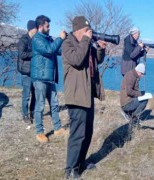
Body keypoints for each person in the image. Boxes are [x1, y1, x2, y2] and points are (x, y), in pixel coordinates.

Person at [62, 16, 106, 178]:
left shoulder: (85, 43)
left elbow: (97, 60)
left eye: (89, 30)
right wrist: (87, 40)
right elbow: (77, 60)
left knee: (87, 132)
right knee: (77, 134)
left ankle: (81, 163)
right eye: (86, 30)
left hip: (88, 94)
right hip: (76, 95)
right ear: (77, 30)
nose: (89, 32)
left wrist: (100, 48)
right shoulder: (67, 43)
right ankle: (70, 170)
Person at [30, 15, 67, 143]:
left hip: (49, 77)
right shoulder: (37, 39)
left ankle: (57, 128)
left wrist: (65, 41)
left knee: (54, 104)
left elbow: (58, 50)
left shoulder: (47, 38)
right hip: (40, 78)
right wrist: (60, 39)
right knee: (40, 106)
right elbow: (49, 50)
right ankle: (39, 132)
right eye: (47, 26)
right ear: (41, 27)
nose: (49, 28)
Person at [120, 63, 148, 136]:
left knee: (144, 98)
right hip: (126, 103)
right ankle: (133, 120)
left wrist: (141, 93)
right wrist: (140, 94)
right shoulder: (130, 76)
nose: (142, 76)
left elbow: (133, 91)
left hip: (129, 101)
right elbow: (129, 92)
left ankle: (131, 116)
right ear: (138, 71)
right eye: (141, 74)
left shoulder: (133, 75)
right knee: (144, 101)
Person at [17, 20, 37, 124]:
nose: (37, 30)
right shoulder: (23, 40)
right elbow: (22, 54)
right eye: (36, 28)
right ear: (32, 29)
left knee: (35, 94)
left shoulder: (35, 39)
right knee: (26, 95)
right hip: (26, 71)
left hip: (34, 71)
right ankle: (25, 115)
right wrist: (34, 53)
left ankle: (32, 112)